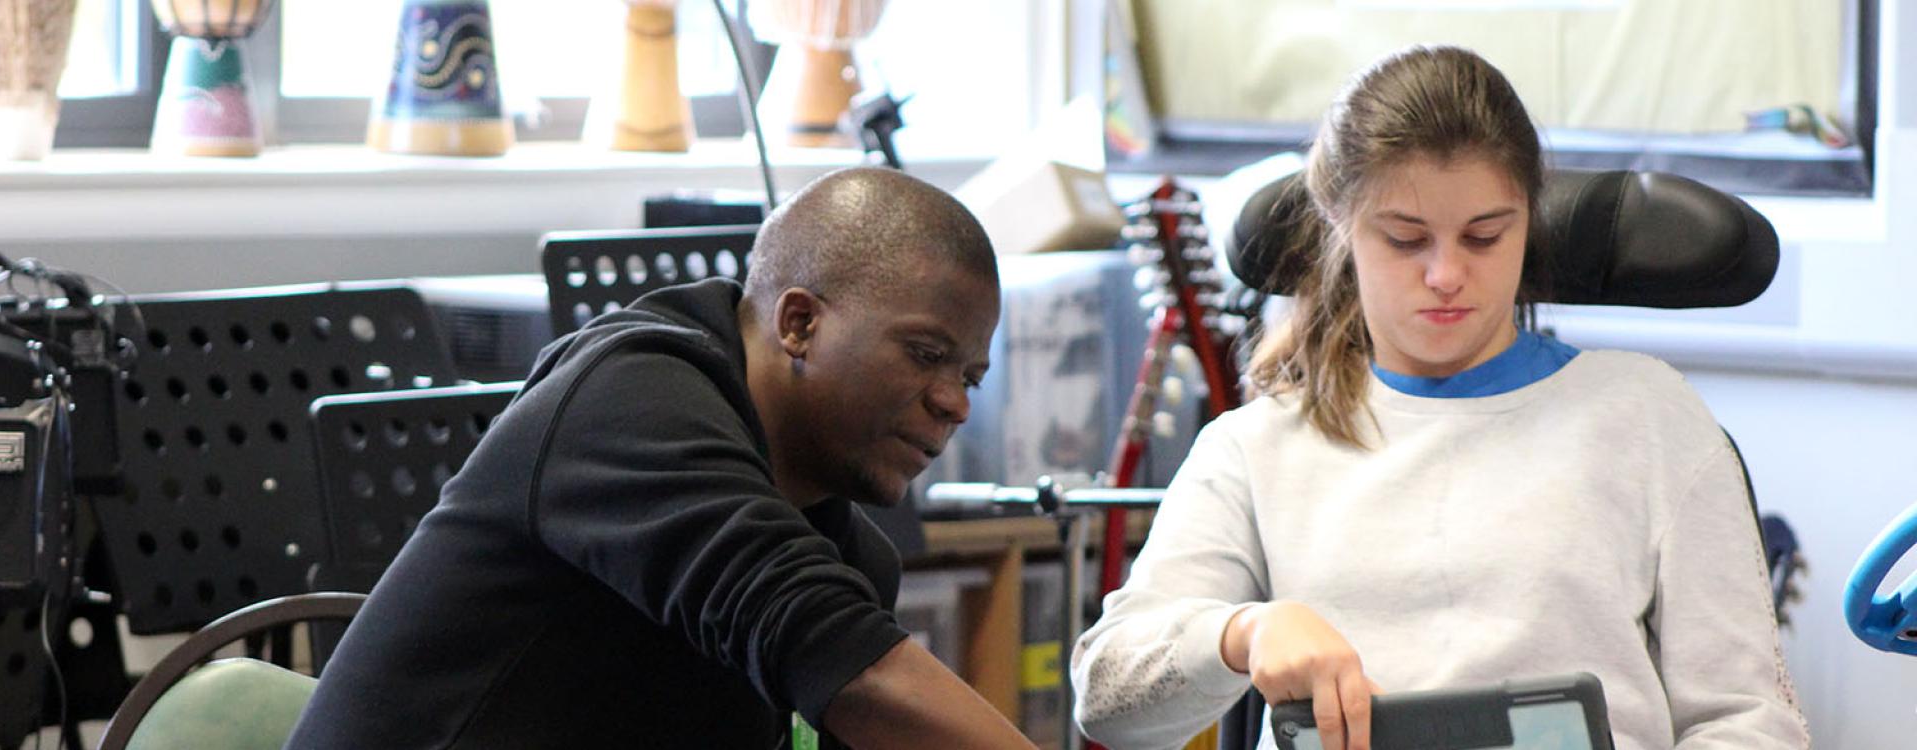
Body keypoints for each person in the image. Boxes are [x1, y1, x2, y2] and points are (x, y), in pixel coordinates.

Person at [1071, 46, 1808, 750]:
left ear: (1529, 215)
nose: (1447, 273)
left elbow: (1750, 718)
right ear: (1341, 224)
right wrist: (1241, 636)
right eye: (1404, 239)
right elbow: (1107, 700)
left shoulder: (1647, 416)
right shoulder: (1259, 446)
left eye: (1485, 236)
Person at [287, 167, 1037, 749]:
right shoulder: (630, 400)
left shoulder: (851, 560)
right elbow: (831, 651)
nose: (955, 403)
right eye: (927, 355)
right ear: (800, 322)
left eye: (969, 377)